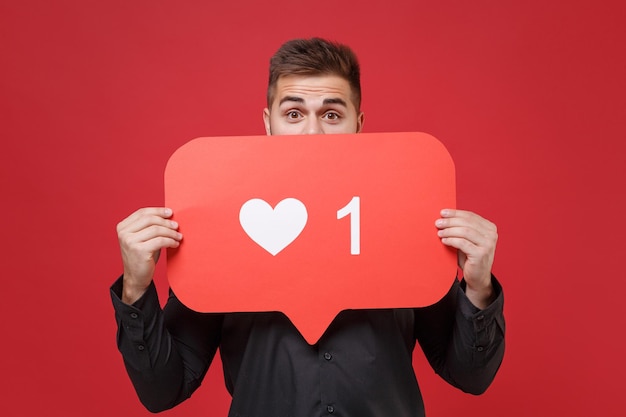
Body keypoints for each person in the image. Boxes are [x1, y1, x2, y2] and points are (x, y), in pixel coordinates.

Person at [111, 37, 505, 417]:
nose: (313, 133)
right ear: (269, 124)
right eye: (294, 114)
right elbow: (163, 390)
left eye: (332, 115)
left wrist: (479, 287)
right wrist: (136, 288)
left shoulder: (406, 218)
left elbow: (469, 376)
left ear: (359, 123)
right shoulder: (225, 226)